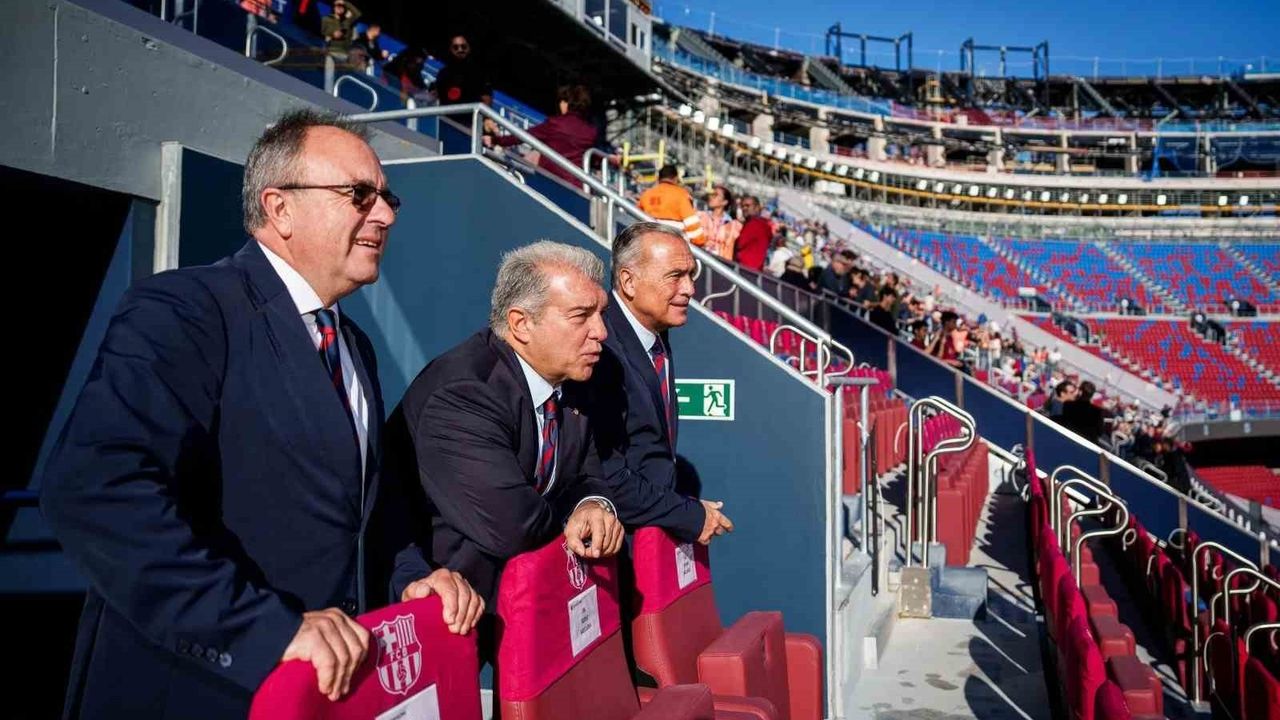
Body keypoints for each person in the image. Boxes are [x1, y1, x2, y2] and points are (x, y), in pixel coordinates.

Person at [39, 110, 480, 718]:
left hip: (322, 695)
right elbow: (95, 490)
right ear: (279, 208)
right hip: (198, 690)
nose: (384, 214)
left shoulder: (354, 347)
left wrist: (410, 576)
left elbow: (362, 515)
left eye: (387, 197)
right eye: (359, 194)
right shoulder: (184, 310)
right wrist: (263, 631)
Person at [387, 241, 625, 613]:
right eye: (581, 316)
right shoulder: (464, 394)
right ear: (521, 323)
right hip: (453, 612)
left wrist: (593, 504)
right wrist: (573, 515)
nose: (601, 331)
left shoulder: (575, 379)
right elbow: (514, 527)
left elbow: (588, 473)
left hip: (522, 606)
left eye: (601, 313)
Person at [588, 222, 734, 543]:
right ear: (628, 281)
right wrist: (688, 514)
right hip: (613, 545)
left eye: (691, 275)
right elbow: (605, 473)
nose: (689, 289)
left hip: (646, 539)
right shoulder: (599, 349)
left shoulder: (656, 334)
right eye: (675, 276)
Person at [485, 85, 601, 189]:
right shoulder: (590, 132)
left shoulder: (556, 123)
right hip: (575, 185)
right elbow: (593, 159)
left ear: (567, 103)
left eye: (562, 101)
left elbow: (524, 136)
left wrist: (496, 140)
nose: (560, 105)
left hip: (550, 180)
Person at [637, 164, 704, 245]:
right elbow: (692, 224)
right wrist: (699, 241)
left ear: (658, 178)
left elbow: (636, 221)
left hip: (648, 244)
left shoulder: (645, 195)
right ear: (676, 178)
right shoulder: (681, 195)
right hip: (673, 245)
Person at [433, 34, 492, 106]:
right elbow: (435, 95)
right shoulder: (443, 73)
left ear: (469, 48)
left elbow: (486, 99)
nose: (460, 50)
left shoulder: (479, 73)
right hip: (446, 115)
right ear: (451, 50)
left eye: (463, 47)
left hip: (470, 116)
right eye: (455, 47)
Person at [699, 185, 741, 262]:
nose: (711, 197)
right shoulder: (701, 216)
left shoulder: (734, 225)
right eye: (711, 194)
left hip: (721, 266)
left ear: (725, 202)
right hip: (700, 260)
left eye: (715, 195)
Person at [734, 194, 770, 271]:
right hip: (755, 270)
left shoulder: (755, 224)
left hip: (745, 269)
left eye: (747, 206)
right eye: (742, 206)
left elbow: (740, 244)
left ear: (757, 208)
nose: (744, 208)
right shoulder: (764, 225)